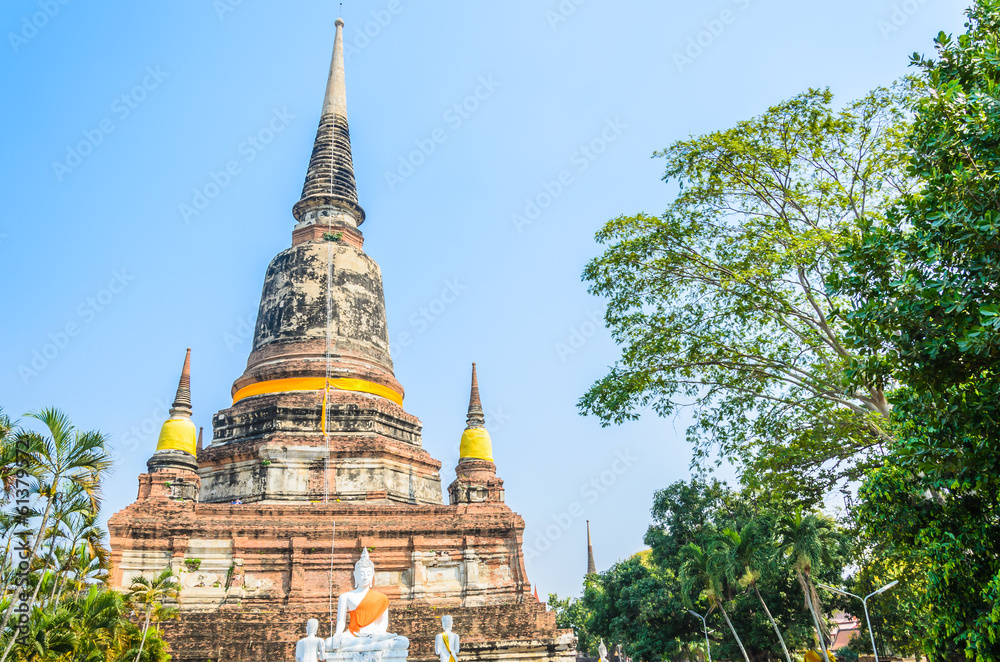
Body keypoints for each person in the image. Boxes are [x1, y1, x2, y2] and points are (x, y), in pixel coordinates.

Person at [326, 549, 409, 653]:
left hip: (375, 635)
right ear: (355, 575)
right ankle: (370, 646)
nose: (365, 577)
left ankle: (357, 647)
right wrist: (338, 633)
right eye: (361, 574)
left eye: (368, 574)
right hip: (353, 635)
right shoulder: (345, 596)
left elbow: (383, 622)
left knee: (403, 641)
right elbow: (341, 621)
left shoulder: (382, 598)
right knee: (328, 644)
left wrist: (376, 633)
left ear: (372, 575)